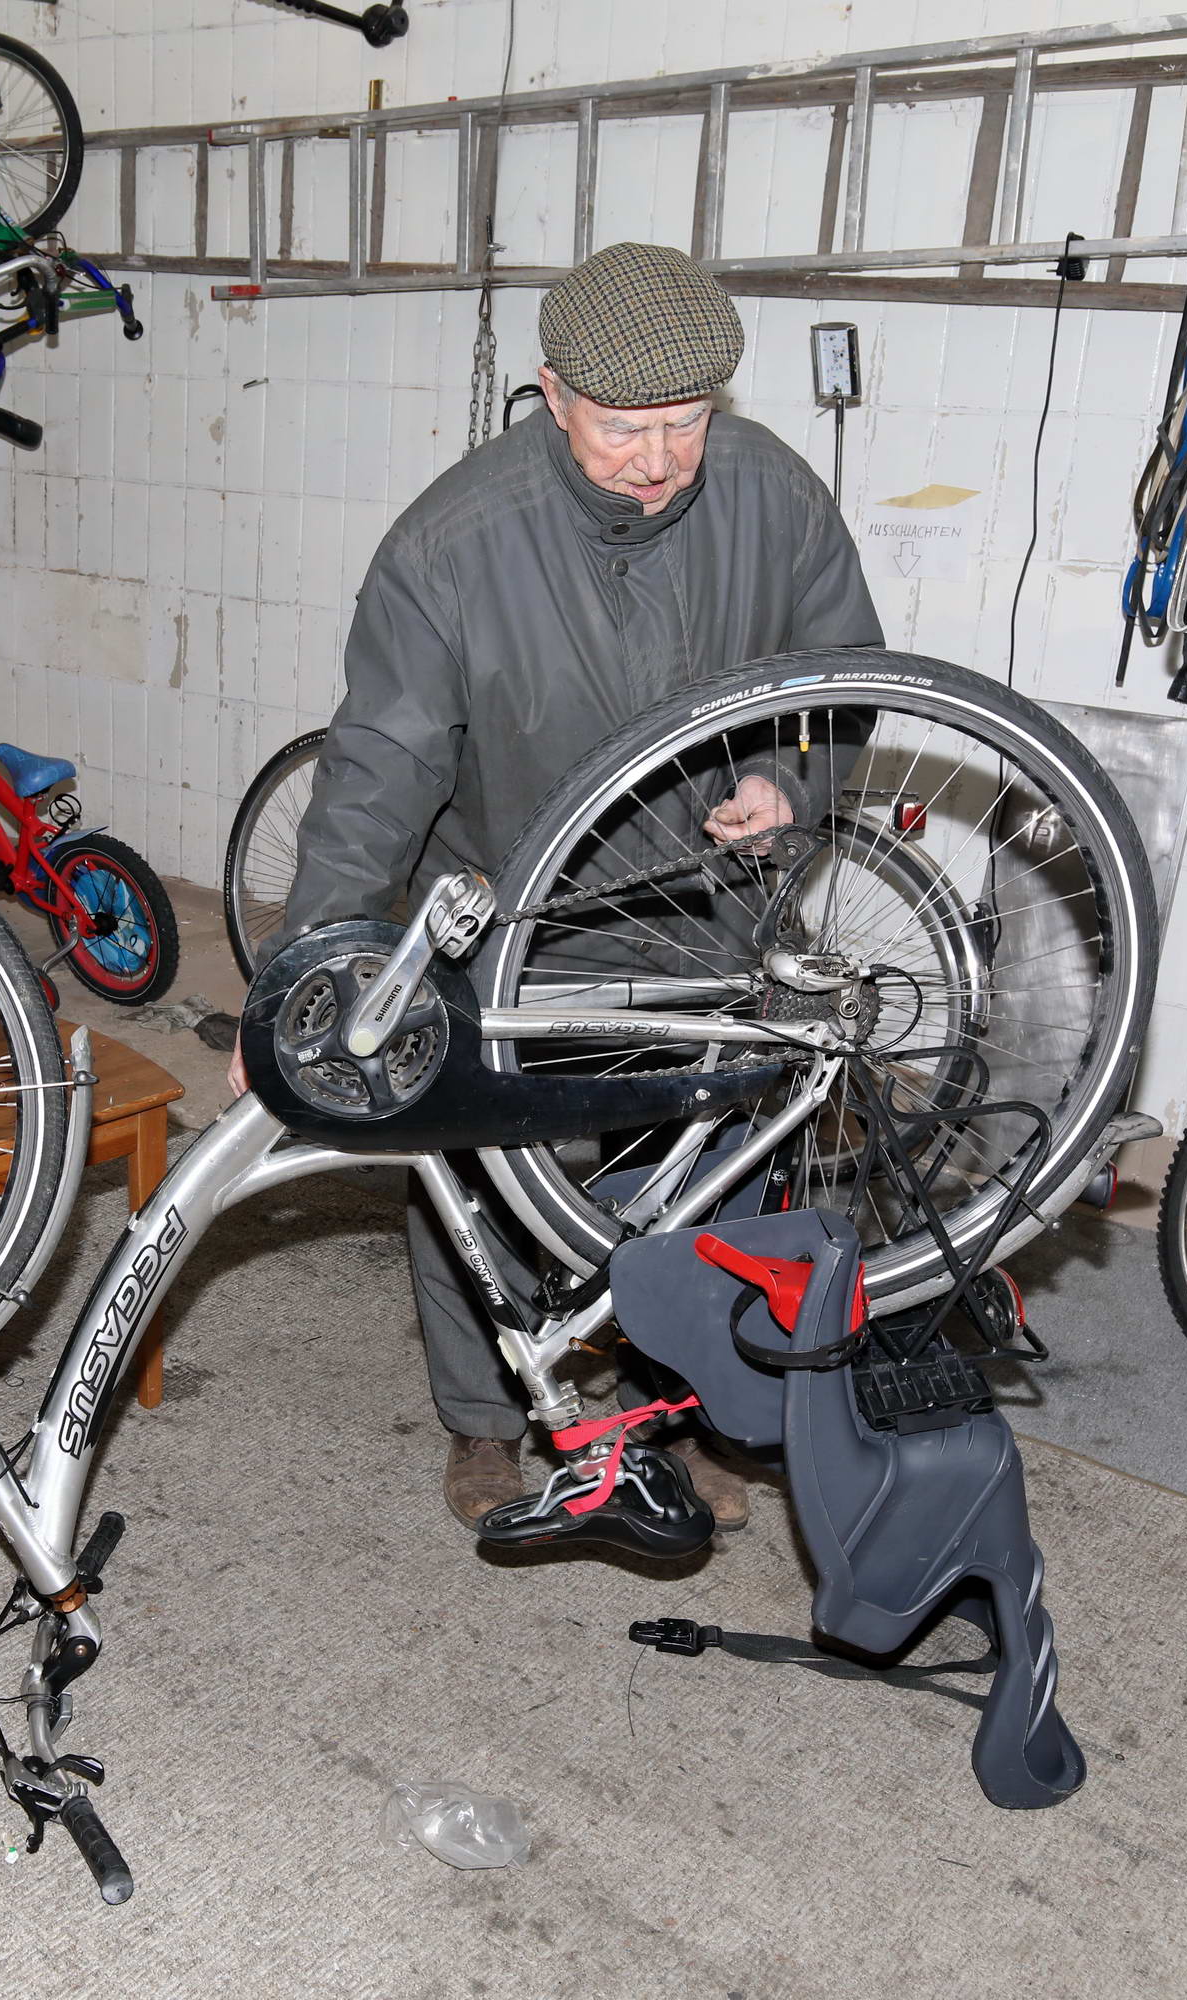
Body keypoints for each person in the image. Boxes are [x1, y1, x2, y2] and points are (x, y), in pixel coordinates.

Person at [233, 241, 884, 1530]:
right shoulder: (455, 541)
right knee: (474, 1169)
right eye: (623, 429)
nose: (657, 459)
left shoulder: (774, 495)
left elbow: (848, 676)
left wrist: (791, 789)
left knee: (706, 1183)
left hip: (712, 915)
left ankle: (689, 1404)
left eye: (686, 425)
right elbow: (378, 768)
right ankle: (484, 1421)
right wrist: (308, 988)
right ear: (552, 393)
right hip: (511, 911)